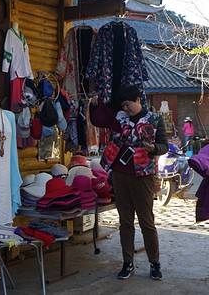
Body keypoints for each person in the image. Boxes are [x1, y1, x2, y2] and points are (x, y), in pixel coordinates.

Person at [90, 85, 168, 281]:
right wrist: (94, 105)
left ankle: (154, 263)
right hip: (119, 174)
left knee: (146, 221)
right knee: (125, 221)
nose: (126, 108)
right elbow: (97, 120)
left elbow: (164, 146)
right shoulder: (118, 118)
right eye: (123, 105)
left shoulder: (154, 119)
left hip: (143, 175)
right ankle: (127, 262)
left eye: (128, 104)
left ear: (138, 99)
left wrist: (153, 148)